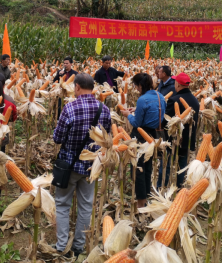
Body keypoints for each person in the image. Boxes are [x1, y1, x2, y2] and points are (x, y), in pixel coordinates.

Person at [53, 74, 111, 258]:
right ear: (92, 87)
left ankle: (62, 245)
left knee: (62, 204)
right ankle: (79, 246)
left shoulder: (69, 108)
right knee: (86, 206)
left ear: (77, 87)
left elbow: (58, 138)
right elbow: (107, 139)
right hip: (91, 167)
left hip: (69, 166)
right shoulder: (104, 109)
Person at [121, 73, 166, 209]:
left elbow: (136, 123)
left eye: (136, 86)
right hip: (153, 135)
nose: (135, 88)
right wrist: (136, 109)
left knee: (137, 168)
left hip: (140, 135)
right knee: (147, 167)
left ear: (140, 85)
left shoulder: (142, 100)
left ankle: (140, 202)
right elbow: (156, 112)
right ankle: (146, 196)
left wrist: (128, 115)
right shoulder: (160, 96)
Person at [157, 73, 200, 188]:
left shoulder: (174, 100)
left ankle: (161, 187)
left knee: (166, 164)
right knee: (182, 165)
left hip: (175, 139)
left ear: (178, 84)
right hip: (188, 139)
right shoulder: (195, 100)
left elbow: (167, 121)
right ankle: (180, 188)